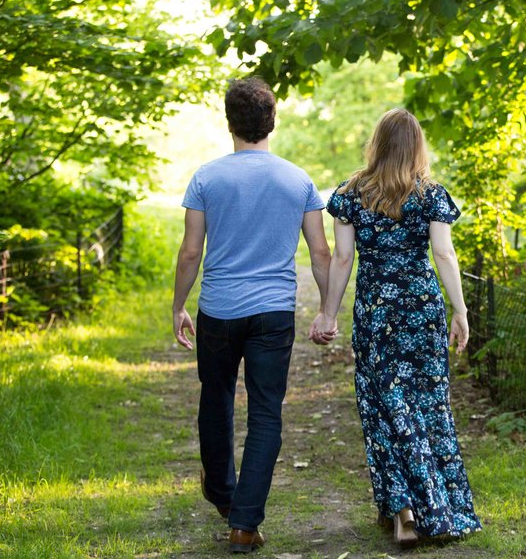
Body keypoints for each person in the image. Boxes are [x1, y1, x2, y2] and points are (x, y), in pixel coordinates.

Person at [171, 77, 333, 554]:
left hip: (218, 311)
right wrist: (326, 309)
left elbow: (189, 253)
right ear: (272, 121)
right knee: (265, 414)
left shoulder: (206, 178)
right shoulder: (297, 179)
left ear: (229, 123)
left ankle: (223, 495)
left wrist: (179, 305)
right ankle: (244, 523)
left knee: (215, 400)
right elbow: (320, 253)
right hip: (273, 313)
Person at [311, 108, 483, 548]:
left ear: (378, 144)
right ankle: (437, 508)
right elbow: (443, 255)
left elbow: (344, 259)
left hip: (377, 312)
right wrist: (459, 310)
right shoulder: (430, 194)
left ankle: (404, 510)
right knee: (425, 404)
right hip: (421, 310)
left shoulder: (350, 195)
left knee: (383, 406)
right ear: (417, 146)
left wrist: (329, 313)